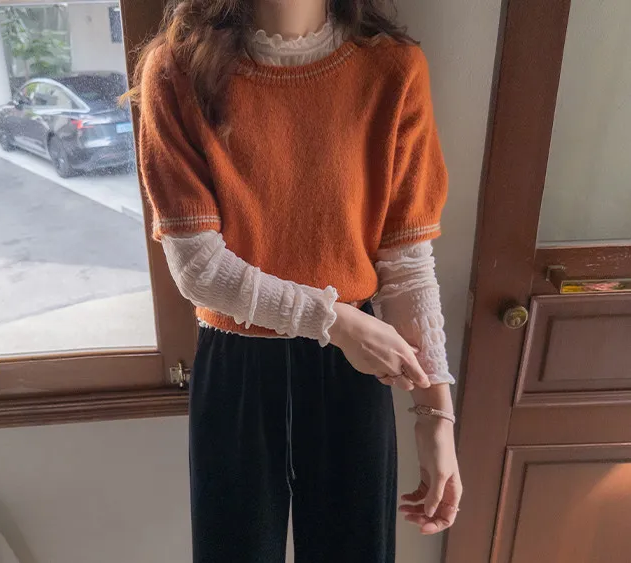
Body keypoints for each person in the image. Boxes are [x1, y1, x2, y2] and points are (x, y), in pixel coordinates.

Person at [130, 0, 463, 560]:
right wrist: (335, 322)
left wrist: (436, 418)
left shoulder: (392, 70)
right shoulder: (178, 70)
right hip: (241, 362)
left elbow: (407, 266)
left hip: (356, 368)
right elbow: (200, 269)